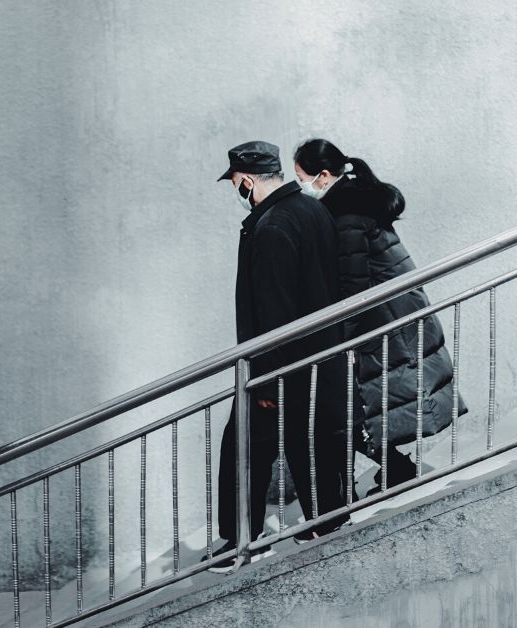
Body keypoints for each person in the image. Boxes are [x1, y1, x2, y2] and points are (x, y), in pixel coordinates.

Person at [209, 141, 359, 573]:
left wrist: (265, 376)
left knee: (244, 448)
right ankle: (327, 519)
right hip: (318, 355)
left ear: (246, 180)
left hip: (279, 364)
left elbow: (273, 307)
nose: (236, 188)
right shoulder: (312, 211)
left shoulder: (271, 226)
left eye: (235, 181)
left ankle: (241, 541)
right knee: (308, 439)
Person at [293, 139, 466, 493]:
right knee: (363, 405)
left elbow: (353, 285)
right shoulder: (354, 201)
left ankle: (396, 469)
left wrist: (342, 339)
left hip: (384, 323)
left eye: (303, 179)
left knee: (352, 406)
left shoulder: (345, 216)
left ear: (323, 176)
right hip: (393, 318)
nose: (302, 188)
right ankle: (396, 468)